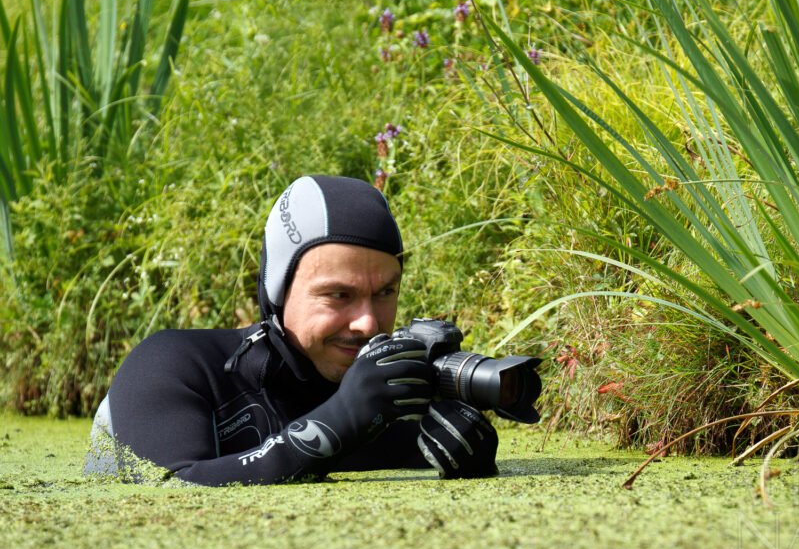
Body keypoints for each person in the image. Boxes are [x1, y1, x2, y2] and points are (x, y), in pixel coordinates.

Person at [84, 175, 499, 486]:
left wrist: (471, 459)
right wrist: (339, 421)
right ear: (278, 292)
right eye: (338, 295)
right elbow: (171, 487)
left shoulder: (396, 400)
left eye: (385, 292)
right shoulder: (172, 364)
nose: (369, 323)